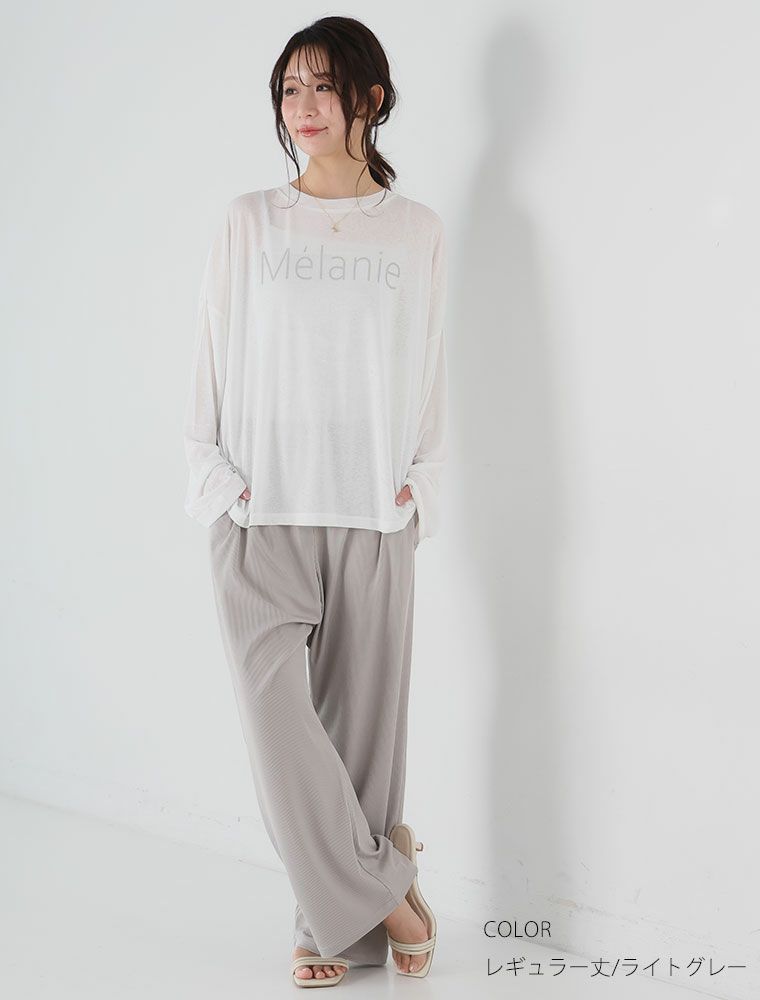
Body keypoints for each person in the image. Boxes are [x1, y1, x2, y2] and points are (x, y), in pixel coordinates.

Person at [183, 15, 447, 988]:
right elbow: (210, 352)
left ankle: (328, 921)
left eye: (323, 86)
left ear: (369, 98)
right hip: (261, 511)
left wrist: (422, 483)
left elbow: (428, 368)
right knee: (278, 722)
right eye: (289, 88)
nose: (302, 106)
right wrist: (214, 478)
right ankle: (391, 889)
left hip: (373, 511)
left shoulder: (415, 229)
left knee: (360, 740)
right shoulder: (249, 220)